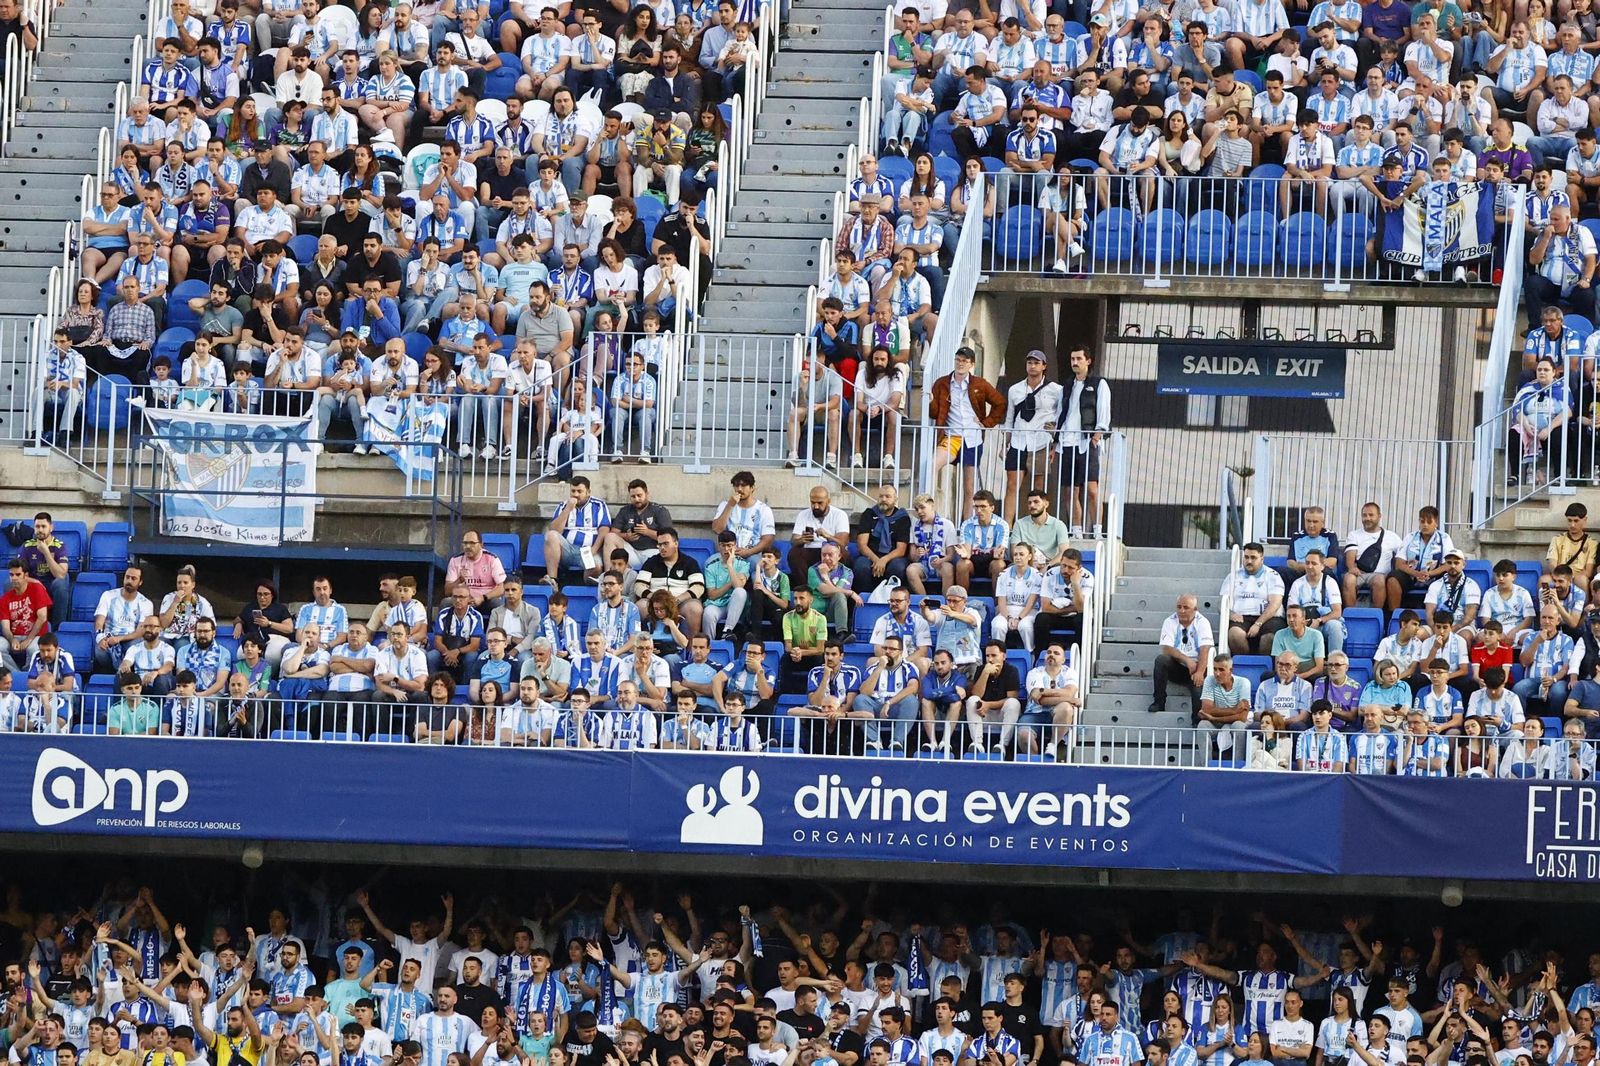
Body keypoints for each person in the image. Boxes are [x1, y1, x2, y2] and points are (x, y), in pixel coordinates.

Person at [1152, 594, 1213, 715]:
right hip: (1178, 666)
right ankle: (1159, 702)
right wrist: (1186, 660)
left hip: (1197, 666)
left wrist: (1200, 672)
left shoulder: (1203, 622)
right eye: (1179, 607)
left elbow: (1205, 649)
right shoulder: (1170, 621)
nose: (1182, 610)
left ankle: (1196, 721)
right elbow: (1167, 648)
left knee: (1198, 690)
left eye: (1186, 607)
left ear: (1195, 609)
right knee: (1161, 660)